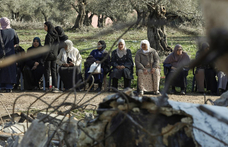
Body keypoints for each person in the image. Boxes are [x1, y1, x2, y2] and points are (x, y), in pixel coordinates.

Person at [0, 17, 19, 92]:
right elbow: (16, 41)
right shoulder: (13, 31)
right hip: (11, 53)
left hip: (1, 54)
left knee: (2, 70)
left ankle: (2, 86)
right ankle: (9, 86)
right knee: (10, 70)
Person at [43, 21, 59, 92]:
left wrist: (44, 57)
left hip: (49, 55)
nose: (44, 28)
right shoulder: (56, 35)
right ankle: (54, 86)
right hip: (55, 55)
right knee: (53, 71)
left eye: (45, 26)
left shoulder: (48, 36)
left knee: (47, 71)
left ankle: (47, 87)